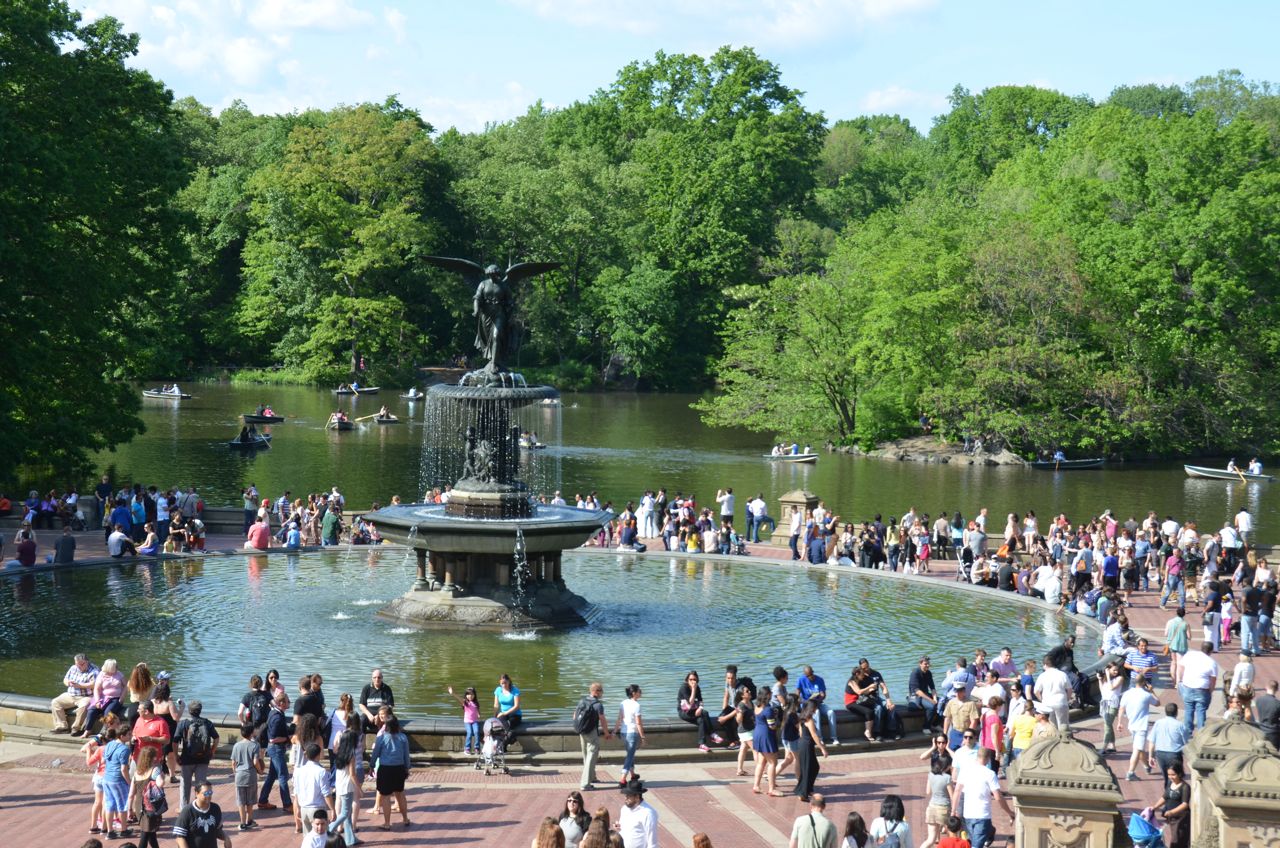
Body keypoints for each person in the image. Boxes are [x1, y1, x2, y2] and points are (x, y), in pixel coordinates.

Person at [951, 747, 1013, 848]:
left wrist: (953, 811)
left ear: (977, 756)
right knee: (975, 845)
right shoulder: (990, 774)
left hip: (968, 815)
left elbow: (957, 791)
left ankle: (990, 833)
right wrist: (1009, 812)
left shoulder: (965, 771)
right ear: (988, 759)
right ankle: (990, 833)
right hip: (983, 816)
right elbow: (998, 797)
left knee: (973, 843)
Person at [370, 714, 410, 829]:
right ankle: (405, 819)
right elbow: (406, 755)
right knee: (400, 794)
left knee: (385, 796)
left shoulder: (381, 738)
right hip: (399, 768)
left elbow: (375, 753)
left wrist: (372, 765)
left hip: (385, 768)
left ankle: (387, 823)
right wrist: (407, 768)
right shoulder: (403, 737)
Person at [176, 701, 219, 806]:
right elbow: (216, 738)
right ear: (200, 710)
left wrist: (176, 755)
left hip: (186, 759)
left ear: (189, 711)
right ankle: (200, 806)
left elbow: (175, 741)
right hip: (203, 759)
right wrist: (212, 751)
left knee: (185, 785)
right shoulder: (207, 723)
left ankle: (184, 808)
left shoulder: (184, 723)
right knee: (201, 786)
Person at [256, 691, 293, 812]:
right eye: (287, 701)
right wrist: (287, 738)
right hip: (276, 749)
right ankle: (287, 804)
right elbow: (273, 738)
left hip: (273, 748)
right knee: (283, 776)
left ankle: (262, 801)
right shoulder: (277, 717)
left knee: (272, 776)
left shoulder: (273, 712)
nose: (289, 703)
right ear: (281, 703)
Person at [172, 781, 233, 848]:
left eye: (210, 793)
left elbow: (217, 830)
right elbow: (179, 837)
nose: (208, 796)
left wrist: (226, 838)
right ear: (197, 794)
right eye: (206, 793)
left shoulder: (215, 808)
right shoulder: (187, 811)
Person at [1120, 679, 1159, 781]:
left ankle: (1146, 766)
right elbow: (1158, 703)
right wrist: (1152, 691)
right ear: (1143, 683)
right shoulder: (1146, 695)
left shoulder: (1127, 693)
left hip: (1131, 726)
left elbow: (1121, 708)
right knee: (1137, 750)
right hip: (1141, 727)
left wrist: (1119, 722)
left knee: (1140, 748)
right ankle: (1130, 773)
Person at [1177, 641, 1220, 733]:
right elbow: (1213, 680)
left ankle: (1188, 731)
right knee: (1201, 711)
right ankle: (1201, 732)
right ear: (1211, 651)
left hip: (1187, 686)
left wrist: (1180, 680)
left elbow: (1180, 666)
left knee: (1189, 709)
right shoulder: (1212, 663)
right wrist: (1210, 691)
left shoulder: (1190, 654)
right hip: (1202, 689)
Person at [52, 653, 99, 734]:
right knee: (55, 702)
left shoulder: (94, 670)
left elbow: (94, 684)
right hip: (71, 694)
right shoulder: (73, 668)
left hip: (86, 696)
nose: (79, 666)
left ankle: (76, 728)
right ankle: (62, 727)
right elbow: (65, 679)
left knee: (84, 706)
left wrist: (79, 685)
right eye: (77, 664)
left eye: (81, 664)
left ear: (87, 662)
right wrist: (68, 683)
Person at [577, 681, 612, 791]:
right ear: (596, 691)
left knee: (586, 756)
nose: (602, 693)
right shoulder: (598, 705)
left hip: (581, 731)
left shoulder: (582, 701)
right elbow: (603, 720)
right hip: (591, 732)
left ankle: (592, 777)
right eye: (601, 691)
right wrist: (606, 733)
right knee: (591, 757)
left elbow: (574, 716)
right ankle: (585, 784)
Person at [229, 723, 263, 832]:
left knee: (241, 801)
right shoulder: (255, 745)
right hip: (250, 775)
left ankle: (242, 823)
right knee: (250, 801)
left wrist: (235, 772)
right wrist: (260, 771)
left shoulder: (236, 745)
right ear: (251, 733)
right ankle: (249, 820)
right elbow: (255, 761)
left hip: (239, 775)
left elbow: (233, 763)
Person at [1148, 702, 1190, 789]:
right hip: (1174, 754)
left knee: (1166, 777)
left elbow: (1151, 741)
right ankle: (1172, 794)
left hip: (1160, 754)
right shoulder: (1180, 725)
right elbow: (1186, 741)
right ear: (1176, 712)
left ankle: (1167, 793)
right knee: (1175, 778)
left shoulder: (1158, 723)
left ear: (1165, 712)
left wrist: (1150, 756)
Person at [797, 665, 841, 746]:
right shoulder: (801, 680)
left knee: (831, 712)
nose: (810, 677)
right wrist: (804, 702)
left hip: (818, 703)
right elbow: (797, 695)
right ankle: (820, 738)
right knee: (816, 712)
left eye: (811, 674)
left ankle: (834, 738)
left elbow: (823, 695)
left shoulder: (819, 680)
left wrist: (820, 698)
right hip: (807, 705)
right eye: (808, 676)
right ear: (805, 675)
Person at [751, 687, 783, 797]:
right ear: (768, 695)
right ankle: (771, 789)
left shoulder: (757, 706)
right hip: (766, 736)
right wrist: (778, 722)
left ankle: (756, 785)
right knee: (773, 763)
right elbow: (772, 726)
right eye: (770, 693)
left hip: (757, 734)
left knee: (761, 762)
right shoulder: (768, 709)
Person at [794, 701, 828, 802]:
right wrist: (822, 748)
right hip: (807, 745)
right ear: (812, 708)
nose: (816, 709)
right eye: (816, 708)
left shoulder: (802, 718)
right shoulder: (809, 720)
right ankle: (802, 793)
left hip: (802, 744)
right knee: (808, 769)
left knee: (813, 767)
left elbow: (800, 733)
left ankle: (807, 789)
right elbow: (814, 735)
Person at [293, 741, 330, 832]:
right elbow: (326, 793)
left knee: (307, 837)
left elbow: (296, 792)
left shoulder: (298, 771)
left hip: (304, 808)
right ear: (318, 755)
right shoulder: (321, 771)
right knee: (322, 837)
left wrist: (298, 808)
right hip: (317, 808)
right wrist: (332, 809)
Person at [677, 671, 716, 752]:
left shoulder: (697, 687)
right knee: (705, 713)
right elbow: (690, 702)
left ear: (697, 680)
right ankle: (712, 734)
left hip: (693, 710)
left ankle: (702, 744)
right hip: (684, 712)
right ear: (687, 680)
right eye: (690, 679)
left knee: (701, 720)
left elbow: (700, 700)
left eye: (694, 679)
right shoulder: (684, 688)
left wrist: (700, 708)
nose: (693, 681)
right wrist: (693, 689)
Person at [1152, 766, 1191, 848]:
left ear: (1179, 774)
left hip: (1181, 818)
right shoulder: (1170, 783)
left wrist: (1171, 812)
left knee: (1177, 839)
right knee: (1176, 837)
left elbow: (1185, 804)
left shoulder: (1185, 787)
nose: (1170, 777)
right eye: (1169, 775)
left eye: (1173, 775)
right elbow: (1165, 797)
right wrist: (1155, 807)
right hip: (1172, 817)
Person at [920, 754, 954, 848]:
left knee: (930, 839)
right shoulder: (947, 778)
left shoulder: (931, 774)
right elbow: (952, 796)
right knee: (950, 837)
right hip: (944, 808)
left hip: (932, 807)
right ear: (947, 765)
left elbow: (928, 791)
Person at [617, 778, 658, 848]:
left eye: (629, 796)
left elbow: (652, 841)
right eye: (626, 795)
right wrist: (618, 827)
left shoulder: (648, 813)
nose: (626, 798)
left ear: (637, 797)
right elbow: (623, 828)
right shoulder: (624, 809)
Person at [617, 684, 644, 787]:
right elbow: (638, 723)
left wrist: (614, 731)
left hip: (624, 733)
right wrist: (642, 736)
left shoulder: (623, 703)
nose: (641, 692)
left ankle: (632, 774)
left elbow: (620, 719)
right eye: (639, 690)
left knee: (630, 753)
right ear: (634, 693)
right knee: (630, 755)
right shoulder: (637, 705)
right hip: (632, 733)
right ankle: (623, 778)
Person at [359, 669, 394, 733]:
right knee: (361, 719)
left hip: (383, 715)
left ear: (382, 678)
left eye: (379, 677)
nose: (377, 679)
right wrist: (369, 715)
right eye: (374, 677)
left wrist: (380, 715)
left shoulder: (387, 689)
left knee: (391, 719)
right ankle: (361, 737)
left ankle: (388, 737)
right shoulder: (366, 688)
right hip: (369, 715)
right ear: (372, 678)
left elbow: (390, 706)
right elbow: (361, 704)